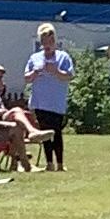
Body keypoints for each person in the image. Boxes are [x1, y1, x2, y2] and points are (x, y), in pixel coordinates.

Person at [22, 23, 74, 169]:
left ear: (54, 41)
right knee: (45, 133)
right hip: (40, 102)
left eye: (50, 41)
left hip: (56, 102)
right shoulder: (35, 58)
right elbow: (26, 78)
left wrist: (56, 71)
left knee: (56, 132)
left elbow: (69, 76)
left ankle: (60, 164)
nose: (47, 45)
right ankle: (49, 163)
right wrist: (35, 73)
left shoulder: (63, 57)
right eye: (44, 41)